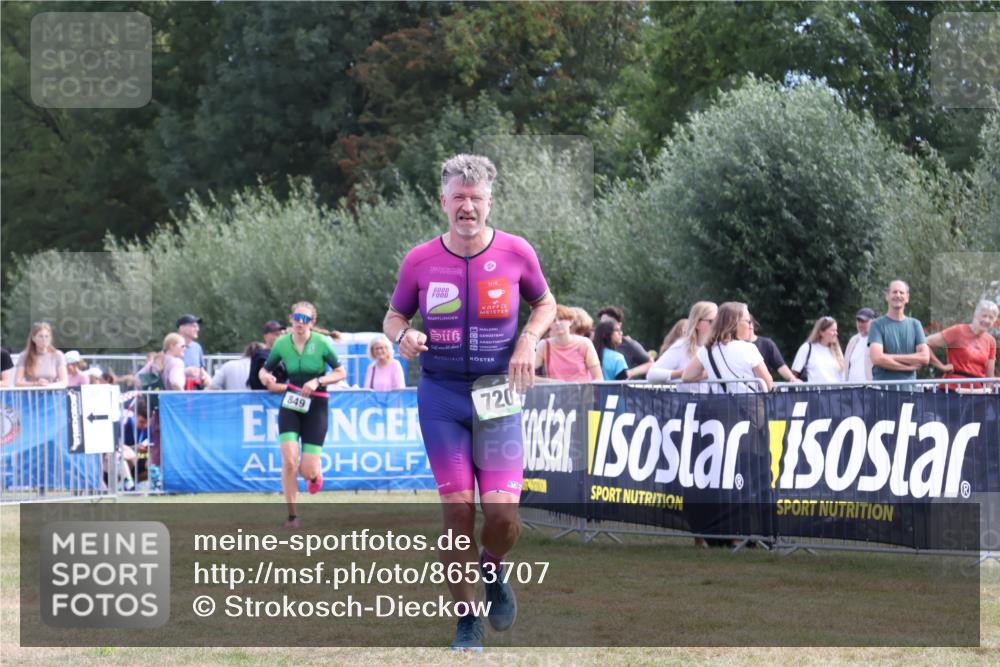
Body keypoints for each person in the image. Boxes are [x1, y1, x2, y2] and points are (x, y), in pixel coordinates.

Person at [383, 154, 556, 652]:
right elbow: (394, 316)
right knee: (457, 513)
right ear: (443, 202)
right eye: (458, 197)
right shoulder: (420, 260)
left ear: (489, 203)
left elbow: (545, 303)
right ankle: (466, 621)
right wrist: (403, 337)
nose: (467, 207)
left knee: (502, 518)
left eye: (476, 199)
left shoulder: (516, 252)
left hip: (496, 394)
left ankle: (492, 566)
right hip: (440, 396)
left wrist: (527, 341)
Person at [259, 301, 345, 529]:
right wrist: (264, 376)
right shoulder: (281, 344)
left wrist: (319, 380)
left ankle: (315, 476)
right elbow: (265, 369)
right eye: (297, 317)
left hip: (317, 404)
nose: (300, 322)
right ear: (291, 319)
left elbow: (340, 372)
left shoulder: (321, 343)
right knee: (288, 461)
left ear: (312, 322)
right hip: (291, 404)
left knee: (306, 471)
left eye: (306, 319)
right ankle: (292, 516)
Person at [682, 302, 773, 394]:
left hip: (720, 406)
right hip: (748, 405)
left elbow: (687, 376)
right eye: (748, 321)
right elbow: (768, 385)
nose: (751, 326)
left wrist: (712, 373)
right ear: (734, 323)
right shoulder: (749, 348)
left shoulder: (707, 349)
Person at [868, 280, 930, 384]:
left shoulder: (915, 325)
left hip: (909, 389)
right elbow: (877, 358)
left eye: (901, 292)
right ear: (887, 296)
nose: (898, 295)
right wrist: (906, 368)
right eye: (894, 292)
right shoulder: (877, 325)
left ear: (907, 298)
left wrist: (888, 357)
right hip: (883, 390)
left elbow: (925, 357)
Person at [926, 300, 998, 387]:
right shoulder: (958, 331)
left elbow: (990, 376)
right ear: (975, 315)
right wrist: (941, 366)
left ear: (994, 321)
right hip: (953, 390)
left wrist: (988, 395)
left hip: (977, 393)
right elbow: (925, 343)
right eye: (984, 316)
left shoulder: (991, 341)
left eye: (991, 317)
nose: (986, 320)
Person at [648, 301, 717, 390]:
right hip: (691, 402)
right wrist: (685, 373)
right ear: (697, 324)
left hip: (719, 403)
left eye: (718, 321)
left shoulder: (722, 347)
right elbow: (652, 374)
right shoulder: (682, 347)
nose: (717, 325)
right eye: (712, 321)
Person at [535, 304, 602, 382]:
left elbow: (599, 378)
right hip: (555, 392)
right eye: (553, 320)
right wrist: (551, 382)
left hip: (582, 392)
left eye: (561, 319)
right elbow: (528, 376)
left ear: (571, 321)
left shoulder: (584, 343)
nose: (557, 323)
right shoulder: (544, 345)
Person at [597, 305, 651, 378]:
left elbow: (650, 363)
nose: (603, 326)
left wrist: (629, 372)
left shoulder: (629, 344)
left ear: (619, 325)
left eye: (608, 322)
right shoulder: (593, 345)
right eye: (601, 323)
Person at [790, 316, 846, 383]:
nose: (836, 333)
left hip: (837, 392)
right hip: (815, 392)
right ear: (821, 332)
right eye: (832, 330)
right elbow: (794, 374)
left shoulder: (837, 350)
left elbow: (843, 377)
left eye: (836, 330)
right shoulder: (807, 348)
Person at [14, 322, 67, 388]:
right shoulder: (24, 356)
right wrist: (36, 384)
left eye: (47, 336)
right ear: (33, 338)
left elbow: (64, 382)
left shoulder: (58, 355)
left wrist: (48, 386)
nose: (44, 339)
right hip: (31, 396)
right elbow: (17, 382)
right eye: (40, 336)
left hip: (52, 395)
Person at [749, 319, 800, 384]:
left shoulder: (766, 343)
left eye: (749, 322)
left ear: (752, 324)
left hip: (762, 389)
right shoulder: (736, 345)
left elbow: (780, 365)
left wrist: (793, 379)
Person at [248, 320, 288, 391]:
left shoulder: (283, 355)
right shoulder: (261, 355)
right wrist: (296, 389)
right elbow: (271, 386)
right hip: (264, 400)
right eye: (276, 334)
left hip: (276, 399)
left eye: (282, 334)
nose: (280, 337)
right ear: (265, 336)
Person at [177, 314, 211, 388]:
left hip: (195, 393)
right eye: (193, 326)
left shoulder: (197, 347)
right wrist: (185, 372)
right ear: (182, 328)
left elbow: (201, 370)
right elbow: (164, 372)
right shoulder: (172, 346)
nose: (197, 329)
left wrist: (207, 380)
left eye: (197, 326)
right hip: (178, 394)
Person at [844, 308, 876, 383]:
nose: (860, 324)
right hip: (851, 388)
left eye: (864, 321)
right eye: (858, 321)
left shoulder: (877, 339)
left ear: (873, 321)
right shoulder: (853, 340)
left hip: (871, 388)